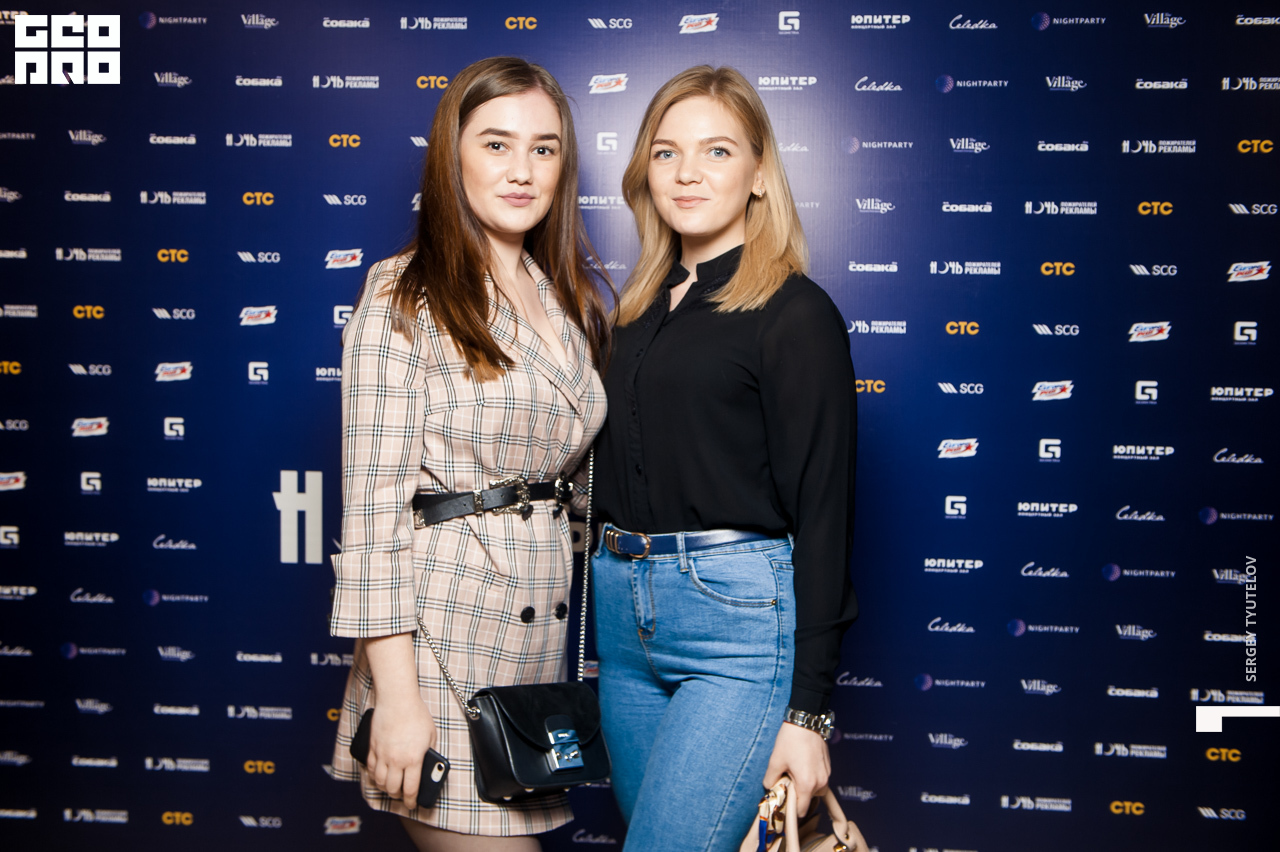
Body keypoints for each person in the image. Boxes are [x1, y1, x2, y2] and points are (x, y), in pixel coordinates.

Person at [327, 56, 610, 852]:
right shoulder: (404, 292)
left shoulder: (565, 299)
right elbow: (374, 511)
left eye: (544, 148)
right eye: (496, 144)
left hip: (531, 654)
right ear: (452, 157)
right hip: (439, 652)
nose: (523, 170)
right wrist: (398, 698)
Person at [591, 65, 859, 852]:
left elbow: (824, 514)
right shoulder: (634, 312)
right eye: (666, 152)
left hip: (734, 624)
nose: (687, 173)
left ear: (758, 174)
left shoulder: (794, 311)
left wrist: (808, 713)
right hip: (623, 623)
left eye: (716, 151)